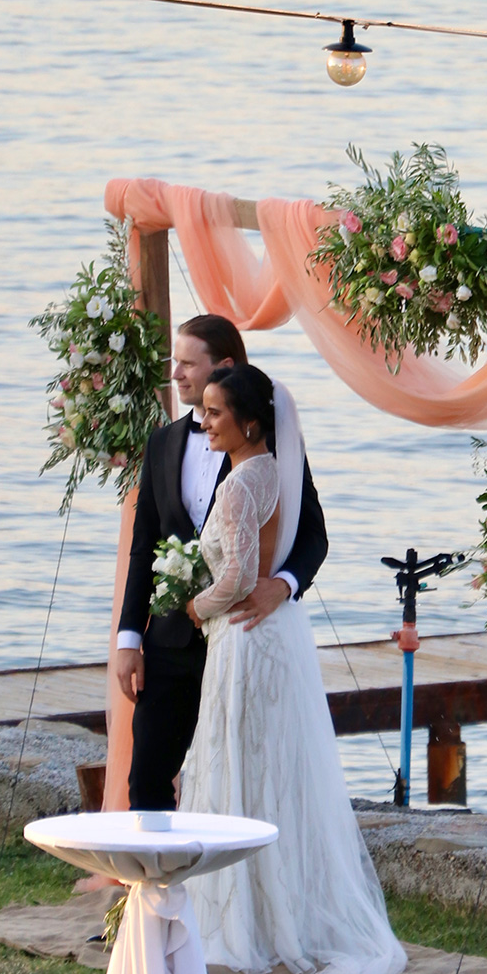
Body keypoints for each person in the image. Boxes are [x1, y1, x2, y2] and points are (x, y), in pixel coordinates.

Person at [180, 364, 407, 974]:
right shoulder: (273, 472)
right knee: (276, 770)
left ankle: (244, 921)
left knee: (240, 766)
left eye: (215, 413)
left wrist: (195, 606)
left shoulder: (239, 485)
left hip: (245, 637)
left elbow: (236, 577)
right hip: (277, 637)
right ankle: (285, 911)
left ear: (250, 422)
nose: (205, 423)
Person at [115, 315, 329, 811]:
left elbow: (314, 535)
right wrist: (128, 639)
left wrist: (283, 585)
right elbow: (144, 546)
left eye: (188, 363)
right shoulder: (162, 443)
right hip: (170, 639)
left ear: (224, 365)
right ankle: (155, 865)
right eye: (175, 361)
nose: (175, 373)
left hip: (239, 637)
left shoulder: (275, 451)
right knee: (146, 778)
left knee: (236, 780)